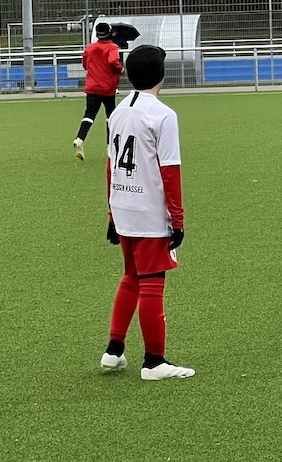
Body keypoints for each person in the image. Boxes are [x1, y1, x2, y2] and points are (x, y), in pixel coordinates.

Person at [100, 44, 195, 381]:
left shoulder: (118, 111)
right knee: (153, 282)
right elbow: (170, 170)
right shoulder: (163, 115)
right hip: (148, 210)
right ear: (161, 75)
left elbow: (111, 166)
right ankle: (154, 361)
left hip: (123, 205)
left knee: (131, 276)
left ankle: (114, 351)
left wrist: (111, 214)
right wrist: (178, 220)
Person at [75, 22, 124, 160]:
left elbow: (85, 64)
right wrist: (120, 69)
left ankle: (80, 139)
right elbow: (113, 61)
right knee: (110, 116)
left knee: (89, 114)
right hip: (108, 87)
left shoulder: (90, 48)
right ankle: (110, 146)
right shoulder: (112, 47)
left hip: (92, 87)